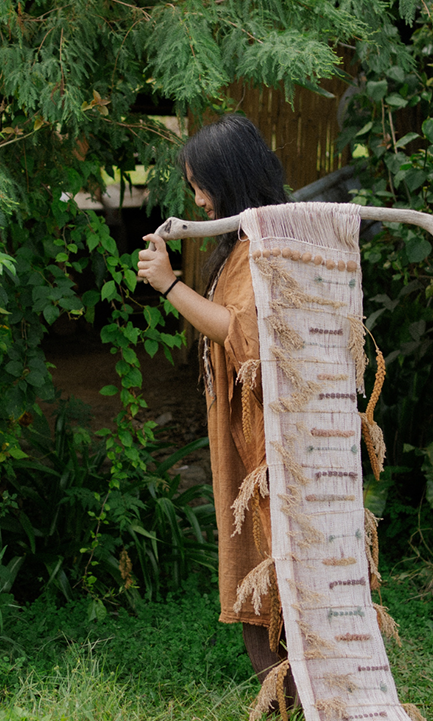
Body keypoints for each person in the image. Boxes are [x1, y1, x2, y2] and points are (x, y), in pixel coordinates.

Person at [135, 113, 289, 684]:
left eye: (203, 186)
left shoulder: (264, 245)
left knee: (270, 541)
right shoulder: (255, 237)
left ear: (231, 180)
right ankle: (287, 682)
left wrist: (169, 285)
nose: (198, 199)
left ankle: (295, 683)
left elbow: (240, 332)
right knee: (256, 539)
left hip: (267, 432)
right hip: (253, 425)